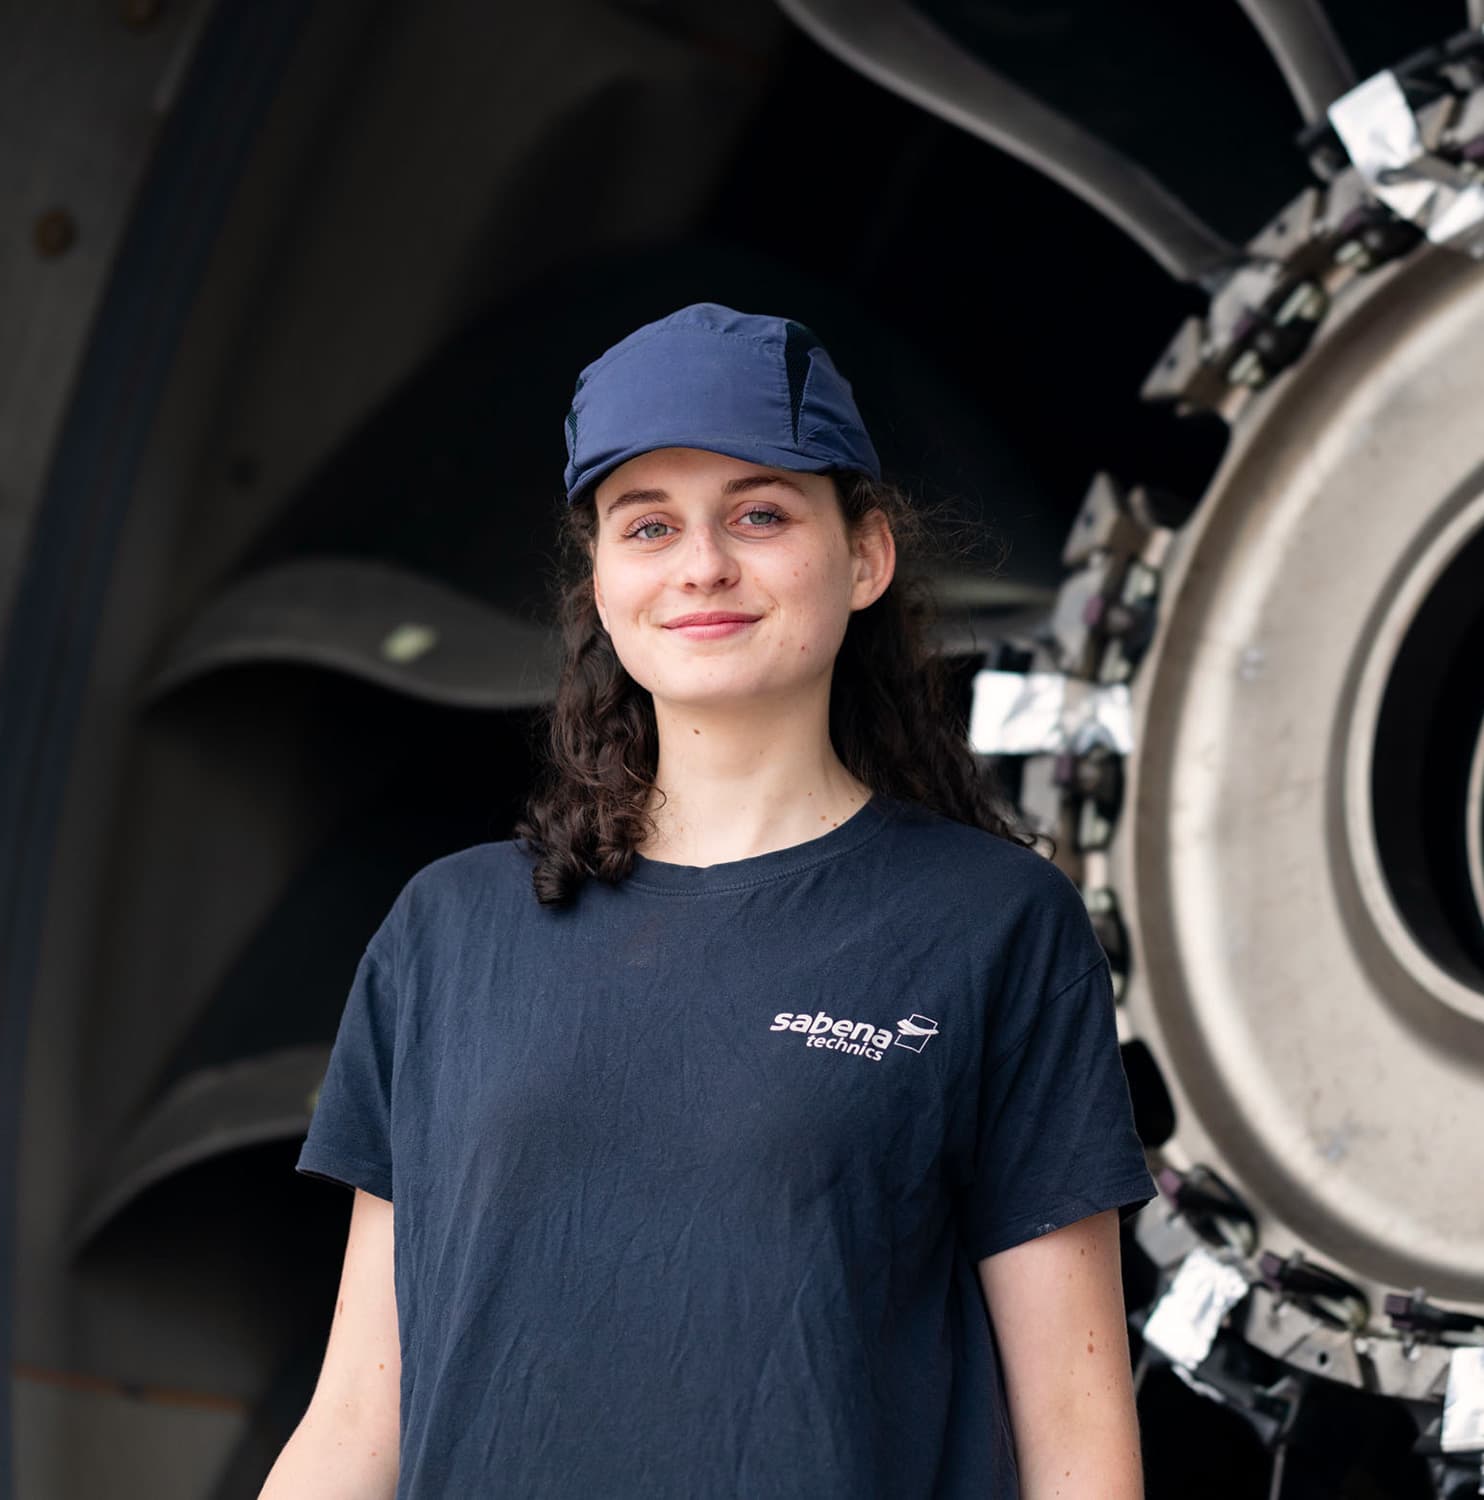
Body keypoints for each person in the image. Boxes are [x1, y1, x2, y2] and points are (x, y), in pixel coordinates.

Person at [263, 302, 1158, 1499]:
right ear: (601, 577)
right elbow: (357, 1417)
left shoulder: (992, 925)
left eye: (760, 513)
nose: (702, 566)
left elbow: (1077, 1436)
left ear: (867, 556)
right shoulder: (449, 932)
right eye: (648, 525)